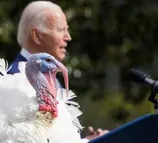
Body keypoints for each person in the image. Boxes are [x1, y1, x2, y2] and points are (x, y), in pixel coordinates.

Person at [8, 1, 109, 142]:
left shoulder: (49, 74)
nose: (68, 37)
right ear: (37, 35)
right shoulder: (15, 80)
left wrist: (86, 139)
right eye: (61, 30)